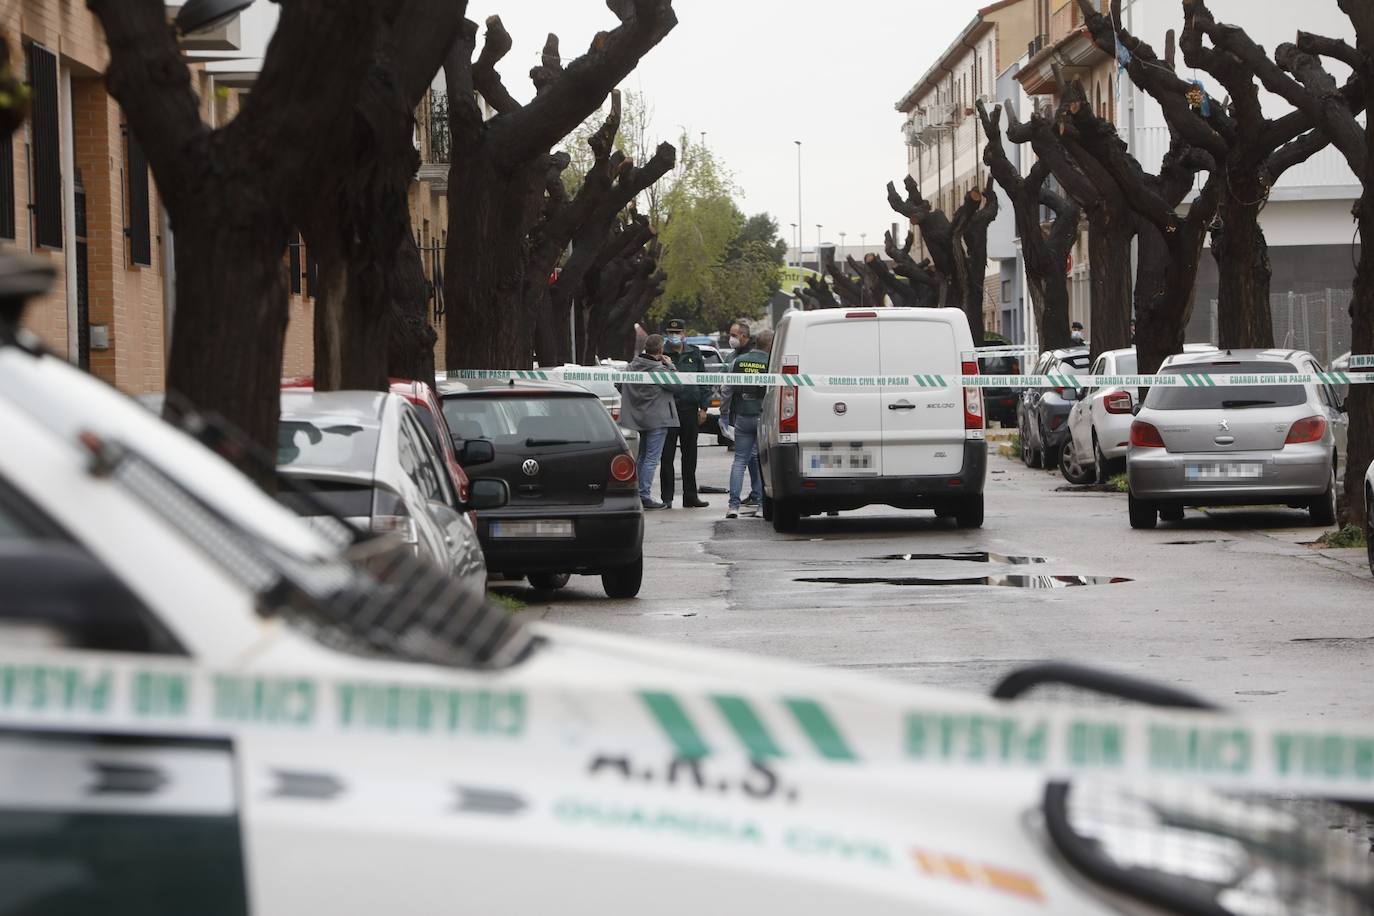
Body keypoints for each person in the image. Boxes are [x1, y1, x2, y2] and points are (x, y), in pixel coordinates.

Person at [618, 334, 681, 510]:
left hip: (640, 418)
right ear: (660, 350)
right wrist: (671, 365)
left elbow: (620, 386)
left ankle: (637, 493)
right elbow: (678, 385)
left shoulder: (632, 367)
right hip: (658, 419)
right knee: (652, 459)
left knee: (643, 457)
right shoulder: (659, 370)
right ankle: (644, 495)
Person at [660, 318, 711, 509]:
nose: (674, 336)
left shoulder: (694, 353)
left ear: (684, 334)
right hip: (668, 409)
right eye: (670, 332)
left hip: (690, 410)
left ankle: (690, 496)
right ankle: (667, 498)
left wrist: (704, 408)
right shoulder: (661, 354)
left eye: (677, 332)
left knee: (690, 455)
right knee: (667, 455)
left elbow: (703, 381)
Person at [720, 329, 770, 519]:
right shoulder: (771, 363)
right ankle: (760, 505)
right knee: (762, 461)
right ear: (770, 345)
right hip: (764, 418)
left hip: (742, 416)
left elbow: (727, 389)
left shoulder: (738, 361)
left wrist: (724, 415)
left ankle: (733, 506)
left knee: (739, 461)